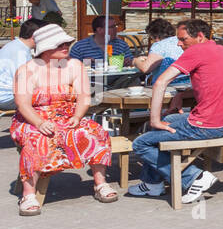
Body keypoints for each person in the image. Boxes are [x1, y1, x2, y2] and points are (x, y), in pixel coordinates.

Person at [128, 18, 223, 204]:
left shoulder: (196, 50)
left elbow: (160, 82)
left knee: (141, 143)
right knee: (170, 119)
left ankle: (193, 177)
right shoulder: (220, 49)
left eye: (183, 39)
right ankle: (152, 183)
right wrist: (183, 94)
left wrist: (154, 120)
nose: (179, 43)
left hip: (208, 126)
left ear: (199, 36)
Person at [10, 23, 116, 214]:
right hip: (32, 118)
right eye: (59, 44)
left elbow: (84, 96)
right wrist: (40, 122)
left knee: (95, 131)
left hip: (67, 115)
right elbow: (22, 104)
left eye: (66, 43)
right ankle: (28, 194)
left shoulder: (75, 65)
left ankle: (100, 183)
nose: (65, 47)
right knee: (37, 139)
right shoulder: (27, 70)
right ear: (45, 49)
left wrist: (77, 116)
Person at [0, 18, 42, 109]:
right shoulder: (21, 52)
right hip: (7, 97)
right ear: (34, 37)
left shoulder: (15, 45)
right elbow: (25, 81)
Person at [131, 19, 183, 83]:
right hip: (186, 82)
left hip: (165, 85)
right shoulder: (182, 42)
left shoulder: (159, 45)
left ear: (154, 35)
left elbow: (145, 68)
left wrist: (135, 61)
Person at [68, 15, 133, 67]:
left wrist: (129, 62)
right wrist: (84, 63)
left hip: (119, 81)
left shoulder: (121, 44)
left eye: (115, 26)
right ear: (99, 30)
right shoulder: (80, 47)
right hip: (92, 81)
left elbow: (131, 62)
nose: (116, 29)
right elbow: (70, 67)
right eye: (112, 27)